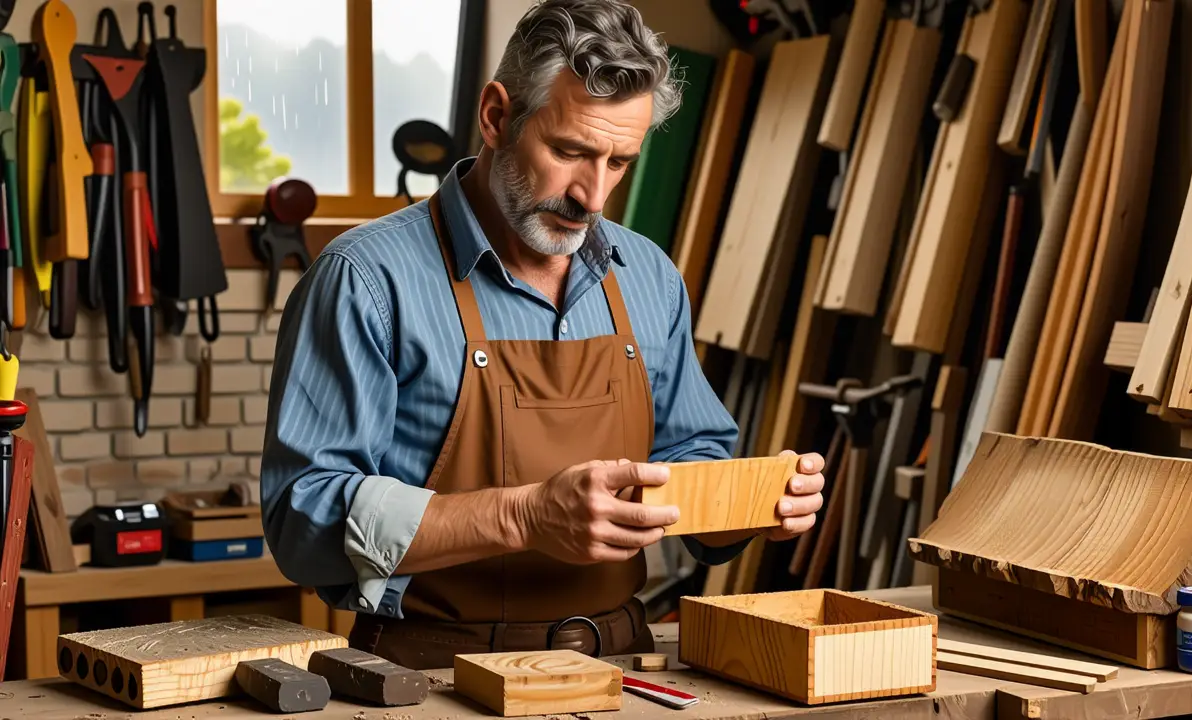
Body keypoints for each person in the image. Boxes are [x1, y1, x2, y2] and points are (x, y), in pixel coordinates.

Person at [260, 0, 825, 669]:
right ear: (497, 115)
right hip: (435, 681)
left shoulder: (646, 274)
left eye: (619, 162)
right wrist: (526, 517)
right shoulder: (366, 279)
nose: (592, 195)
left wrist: (754, 500)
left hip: (622, 670)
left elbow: (689, 455)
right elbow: (303, 519)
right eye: (570, 151)